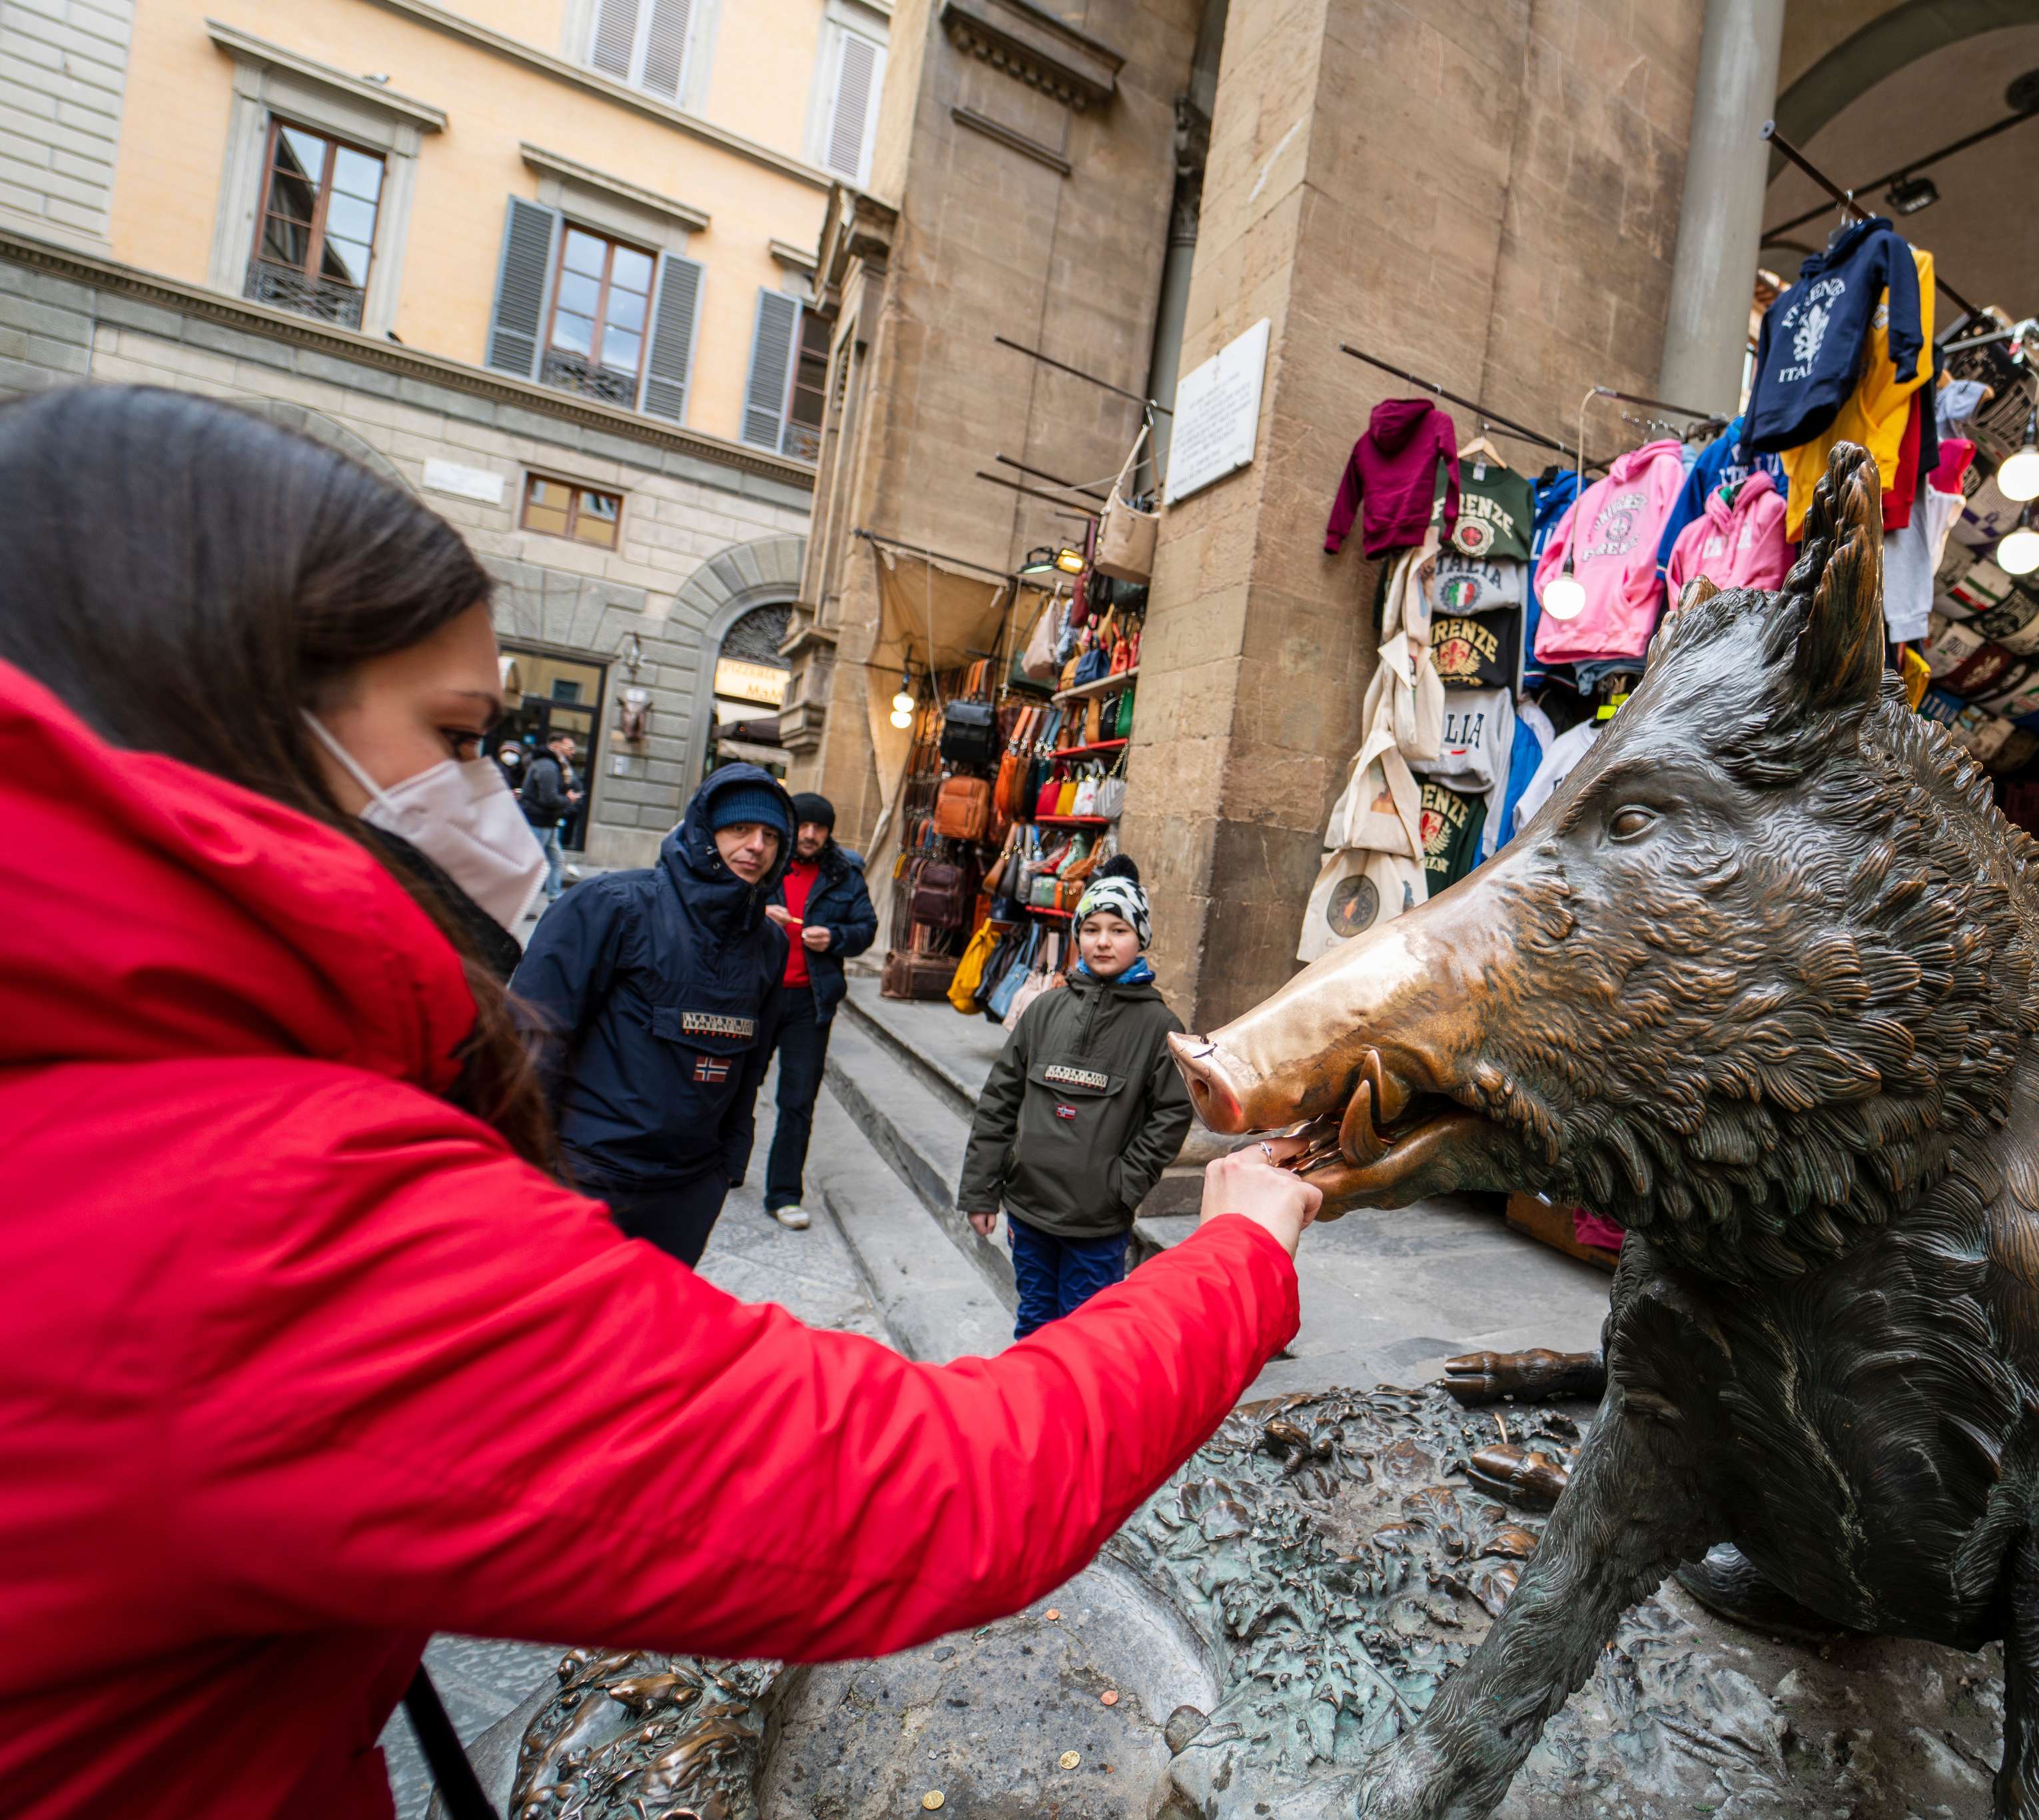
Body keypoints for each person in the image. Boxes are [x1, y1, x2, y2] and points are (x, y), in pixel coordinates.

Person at [0, 385, 1320, 1819]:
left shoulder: (114, 1078)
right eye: (453, 739)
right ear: (235, 713)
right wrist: (1239, 1255)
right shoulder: (258, 1206)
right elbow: (924, 1492)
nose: (490, 799)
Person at [512, 762, 805, 1266]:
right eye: (739, 829)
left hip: (687, 1193)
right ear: (704, 833)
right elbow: (534, 1037)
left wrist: (726, 1168)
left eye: (771, 835)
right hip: (588, 1176)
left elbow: (752, 1066)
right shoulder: (611, 907)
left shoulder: (769, 945)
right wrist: (532, 1166)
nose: (756, 845)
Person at [961, 857, 1196, 1338]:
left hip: (1096, 1222)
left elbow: (1170, 1117)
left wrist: (1123, 1187)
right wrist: (982, 1190)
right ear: (1077, 934)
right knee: (1033, 1323)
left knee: (1086, 1335)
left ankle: (1080, 1417)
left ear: (1141, 938)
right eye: (1091, 928)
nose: (1103, 941)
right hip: (1028, 1210)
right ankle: (1031, 1412)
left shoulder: (1160, 1028)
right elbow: (999, 1102)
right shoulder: (1045, 1010)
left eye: (1118, 929)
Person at [724, 790, 880, 1230]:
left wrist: (834, 938)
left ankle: (784, 1194)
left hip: (810, 1001)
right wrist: (756, 910)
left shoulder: (843, 873)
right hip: (757, 995)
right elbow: (719, 908)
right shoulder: (765, 860)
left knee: (798, 1101)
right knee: (739, 1086)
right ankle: (726, 1169)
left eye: (820, 827)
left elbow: (865, 928)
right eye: (804, 826)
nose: (810, 835)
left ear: (829, 832)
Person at [520, 728, 583, 902]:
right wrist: (568, 800)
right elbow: (549, 799)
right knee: (532, 865)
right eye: (569, 747)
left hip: (549, 823)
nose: (573, 752)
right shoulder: (548, 767)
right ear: (556, 746)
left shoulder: (556, 766)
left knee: (556, 860)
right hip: (539, 823)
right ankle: (521, 901)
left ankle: (555, 898)